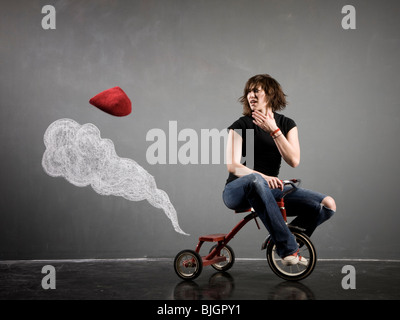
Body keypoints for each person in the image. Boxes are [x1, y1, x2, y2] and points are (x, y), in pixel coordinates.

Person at [222, 74, 336, 266]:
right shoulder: (241, 125)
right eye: (248, 91)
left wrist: (274, 130)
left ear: (270, 93)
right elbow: (232, 165)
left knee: (328, 204)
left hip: (269, 190)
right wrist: (265, 177)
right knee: (256, 181)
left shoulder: (287, 124)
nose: (251, 95)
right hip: (238, 190)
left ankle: (284, 234)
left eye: (256, 90)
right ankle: (287, 249)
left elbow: (294, 160)